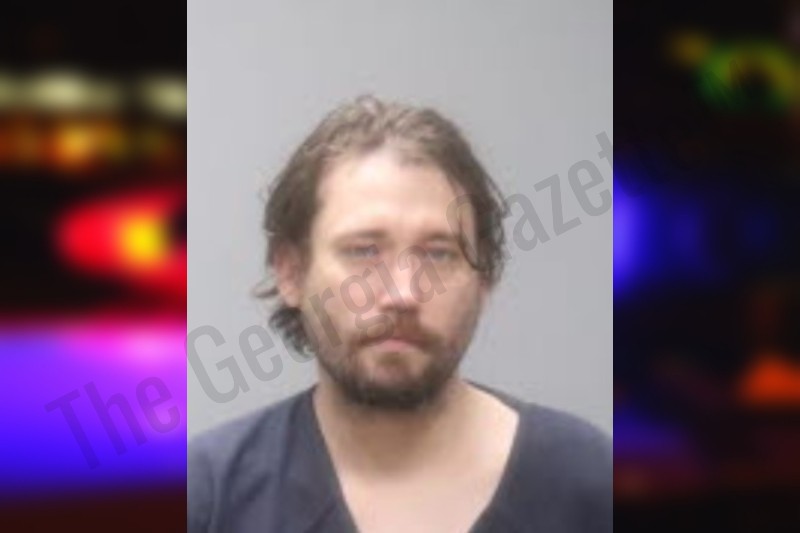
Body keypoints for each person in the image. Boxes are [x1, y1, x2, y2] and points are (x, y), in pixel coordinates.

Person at [188, 95, 612, 533]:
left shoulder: (587, 481)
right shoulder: (209, 495)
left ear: (484, 278)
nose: (403, 293)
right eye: (363, 251)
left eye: (439, 254)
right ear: (291, 273)